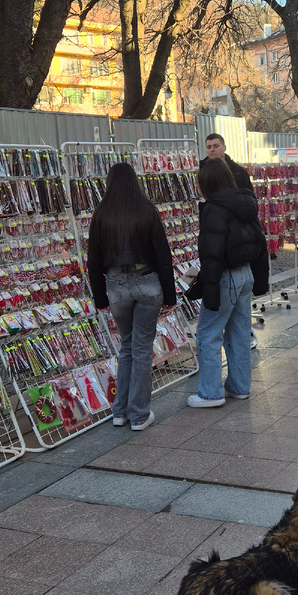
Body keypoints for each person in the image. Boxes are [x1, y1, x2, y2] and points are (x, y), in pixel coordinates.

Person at [87, 163, 177, 431]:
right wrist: (170, 295)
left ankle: (120, 412)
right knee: (140, 349)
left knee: (126, 347)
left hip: (116, 286)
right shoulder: (146, 210)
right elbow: (163, 255)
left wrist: (100, 298)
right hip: (147, 282)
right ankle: (139, 414)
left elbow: (93, 260)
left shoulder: (101, 214)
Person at [188, 158, 269, 408]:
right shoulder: (244, 202)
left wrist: (209, 290)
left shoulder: (214, 208)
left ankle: (210, 393)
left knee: (208, 334)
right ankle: (239, 386)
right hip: (245, 274)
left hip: (225, 277)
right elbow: (260, 242)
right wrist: (260, 280)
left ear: (206, 181)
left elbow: (212, 253)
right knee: (239, 334)